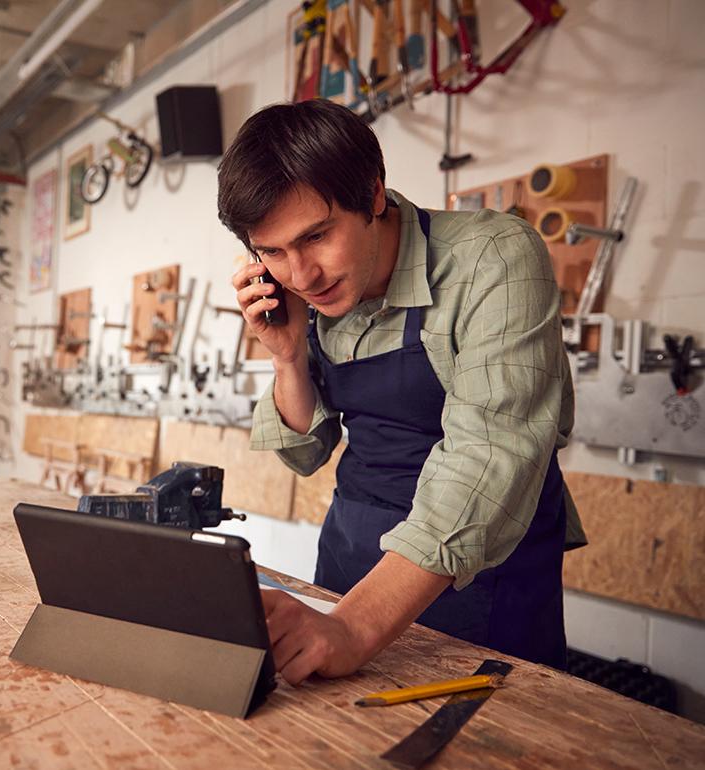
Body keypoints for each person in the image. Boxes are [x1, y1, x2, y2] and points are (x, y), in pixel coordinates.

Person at [217, 99, 586, 685]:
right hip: (351, 556)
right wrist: (286, 354)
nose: (303, 275)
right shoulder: (309, 293)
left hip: (478, 568)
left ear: (373, 193)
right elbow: (305, 454)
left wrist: (354, 629)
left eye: (316, 236)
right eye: (273, 252)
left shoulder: (491, 257)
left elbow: (489, 457)